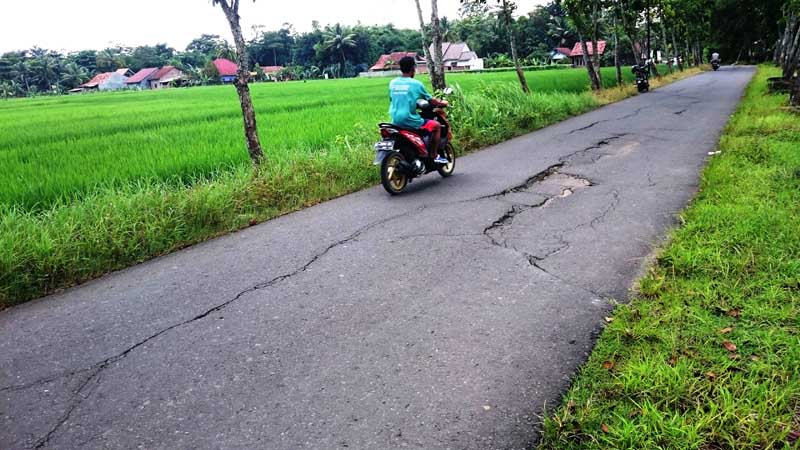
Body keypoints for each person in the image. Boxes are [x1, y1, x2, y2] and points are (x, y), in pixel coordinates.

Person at [389, 56, 449, 164]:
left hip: (395, 120)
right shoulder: (416, 84)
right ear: (413, 68)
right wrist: (443, 103)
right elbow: (432, 102)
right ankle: (434, 155)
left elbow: (392, 99)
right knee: (436, 126)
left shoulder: (392, 83)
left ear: (401, 68)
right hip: (409, 119)